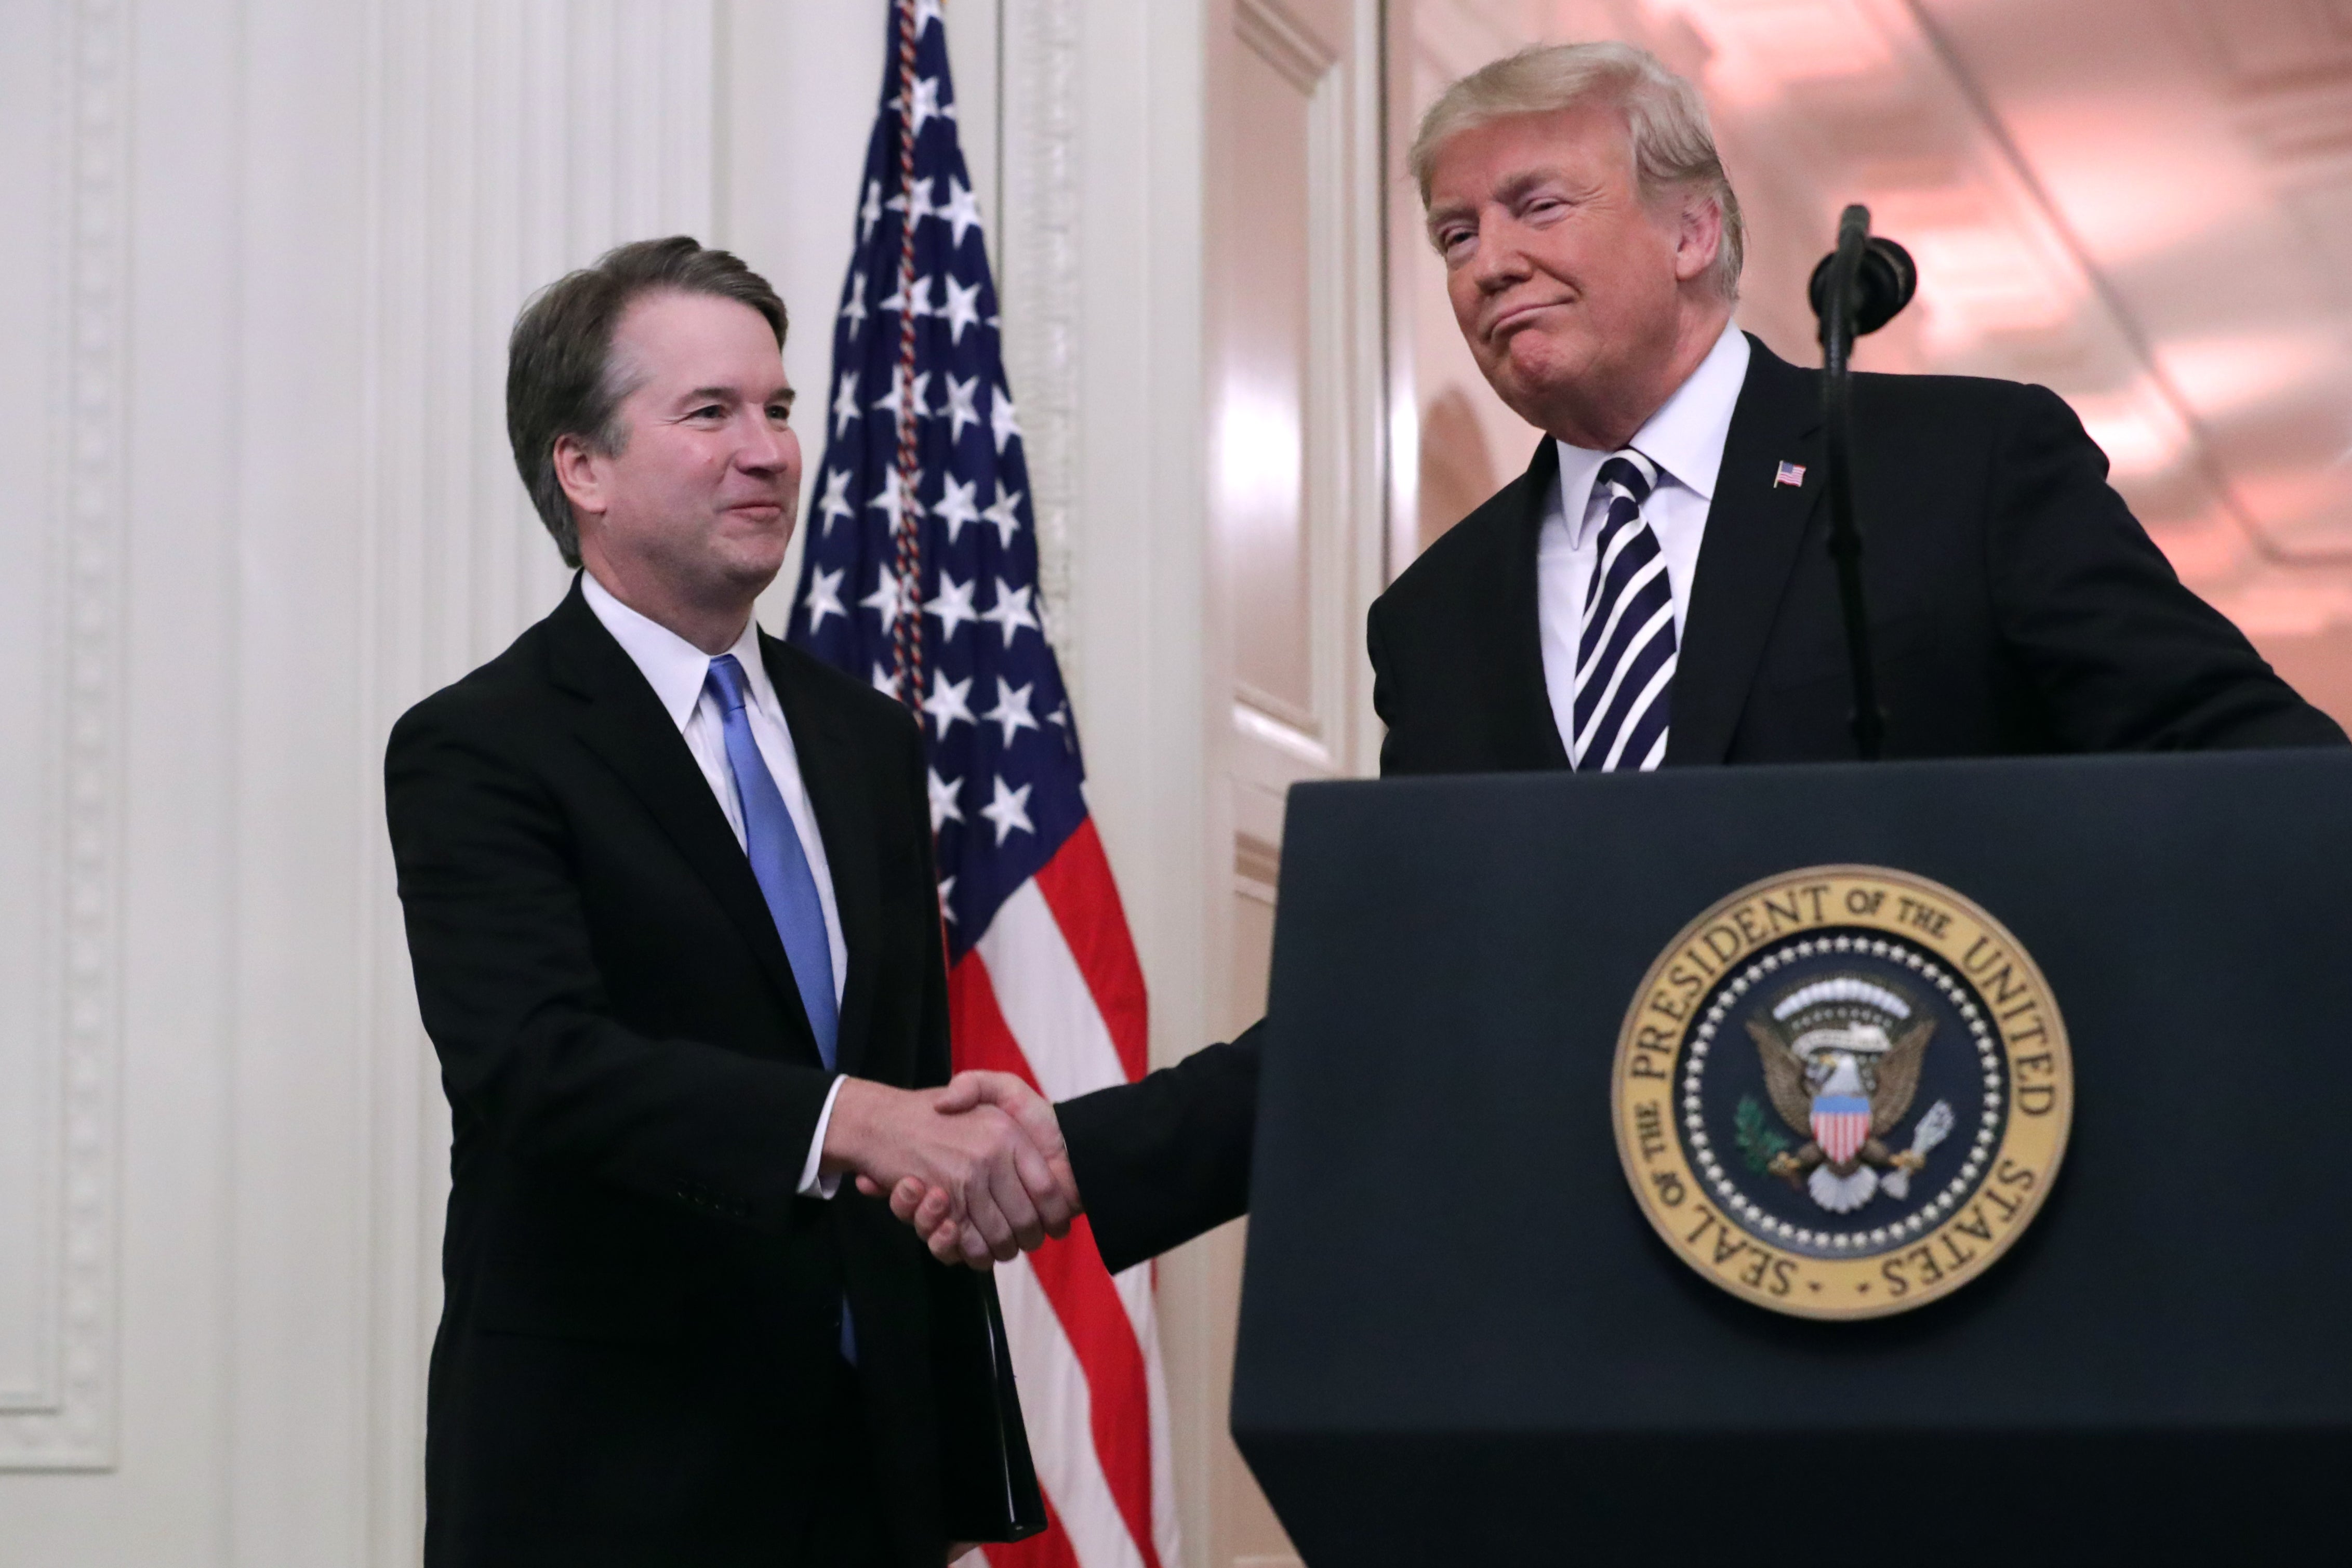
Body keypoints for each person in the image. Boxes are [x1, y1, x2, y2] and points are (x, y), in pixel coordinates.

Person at [889, 39, 2350, 1274]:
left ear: (1693, 231)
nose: (1490, 262)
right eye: (1457, 235)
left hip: (1946, 1237)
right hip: (1588, 1295)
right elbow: (1408, 987)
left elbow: (2251, 769)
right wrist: (1078, 1152)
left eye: (1535, 205)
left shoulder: (1953, 468)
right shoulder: (1439, 615)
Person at [384, 237, 1074, 1567]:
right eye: (709, 413)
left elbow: (901, 1083)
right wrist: (849, 1123)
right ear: (578, 467)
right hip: (613, 1471)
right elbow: (532, 1064)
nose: (766, 451)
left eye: (777, 409)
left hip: (871, 1465)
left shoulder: (866, 739)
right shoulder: (483, 743)